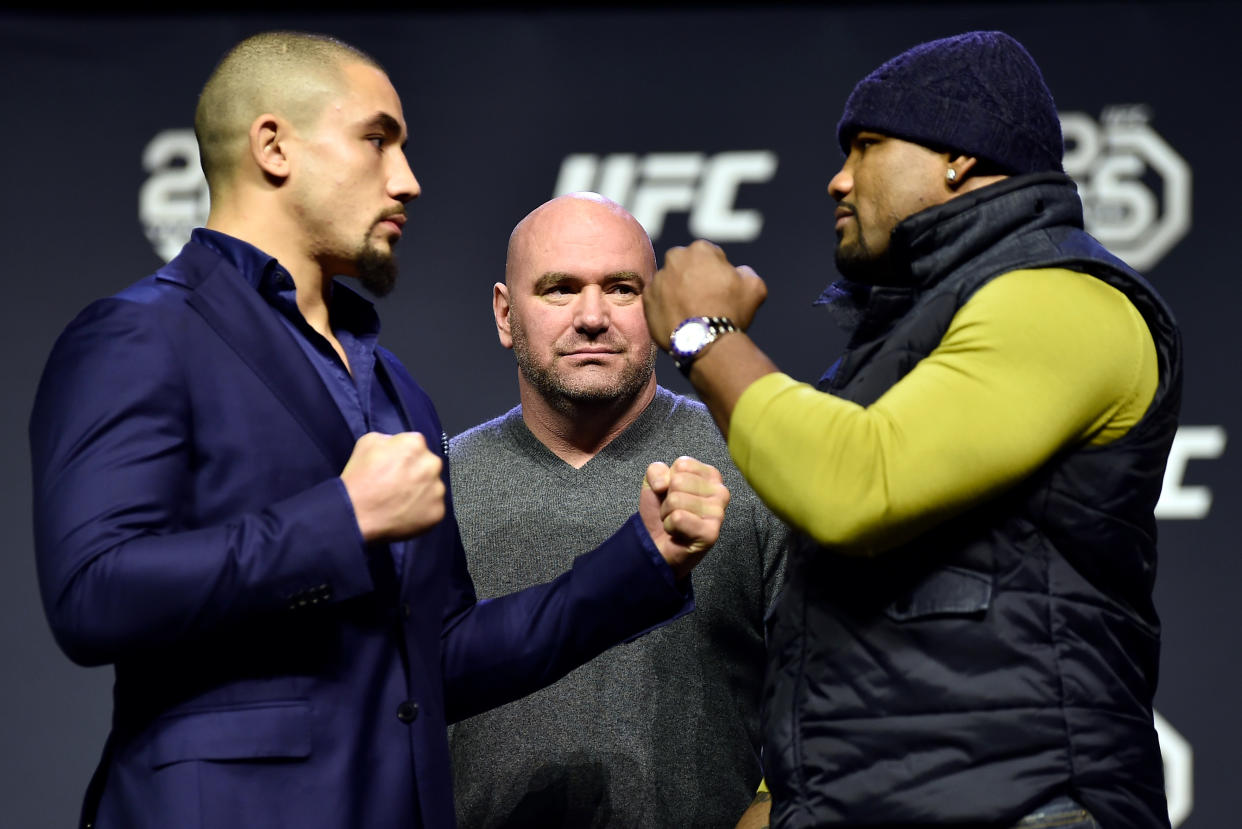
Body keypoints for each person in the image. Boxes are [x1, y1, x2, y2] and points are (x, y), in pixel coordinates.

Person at [29, 32, 731, 829]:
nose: (409, 180)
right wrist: (343, 518)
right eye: (377, 140)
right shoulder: (142, 334)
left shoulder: (392, 385)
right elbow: (93, 592)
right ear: (274, 146)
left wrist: (640, 561)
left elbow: (439, 659)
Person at [642, 30, 1180, 829]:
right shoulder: (917, 334)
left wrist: (705, 337)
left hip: (1026, 805)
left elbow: (855, 484)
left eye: (866, 147)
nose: (837, 179)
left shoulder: (1064, 300)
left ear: (958, 157)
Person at [447, 192, 787, 828]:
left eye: (622, 288)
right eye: (559, 289)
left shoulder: (753, 466)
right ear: (504, 313)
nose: (592, 316)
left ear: (657, 308)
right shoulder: (438, 490)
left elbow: (834, 711)